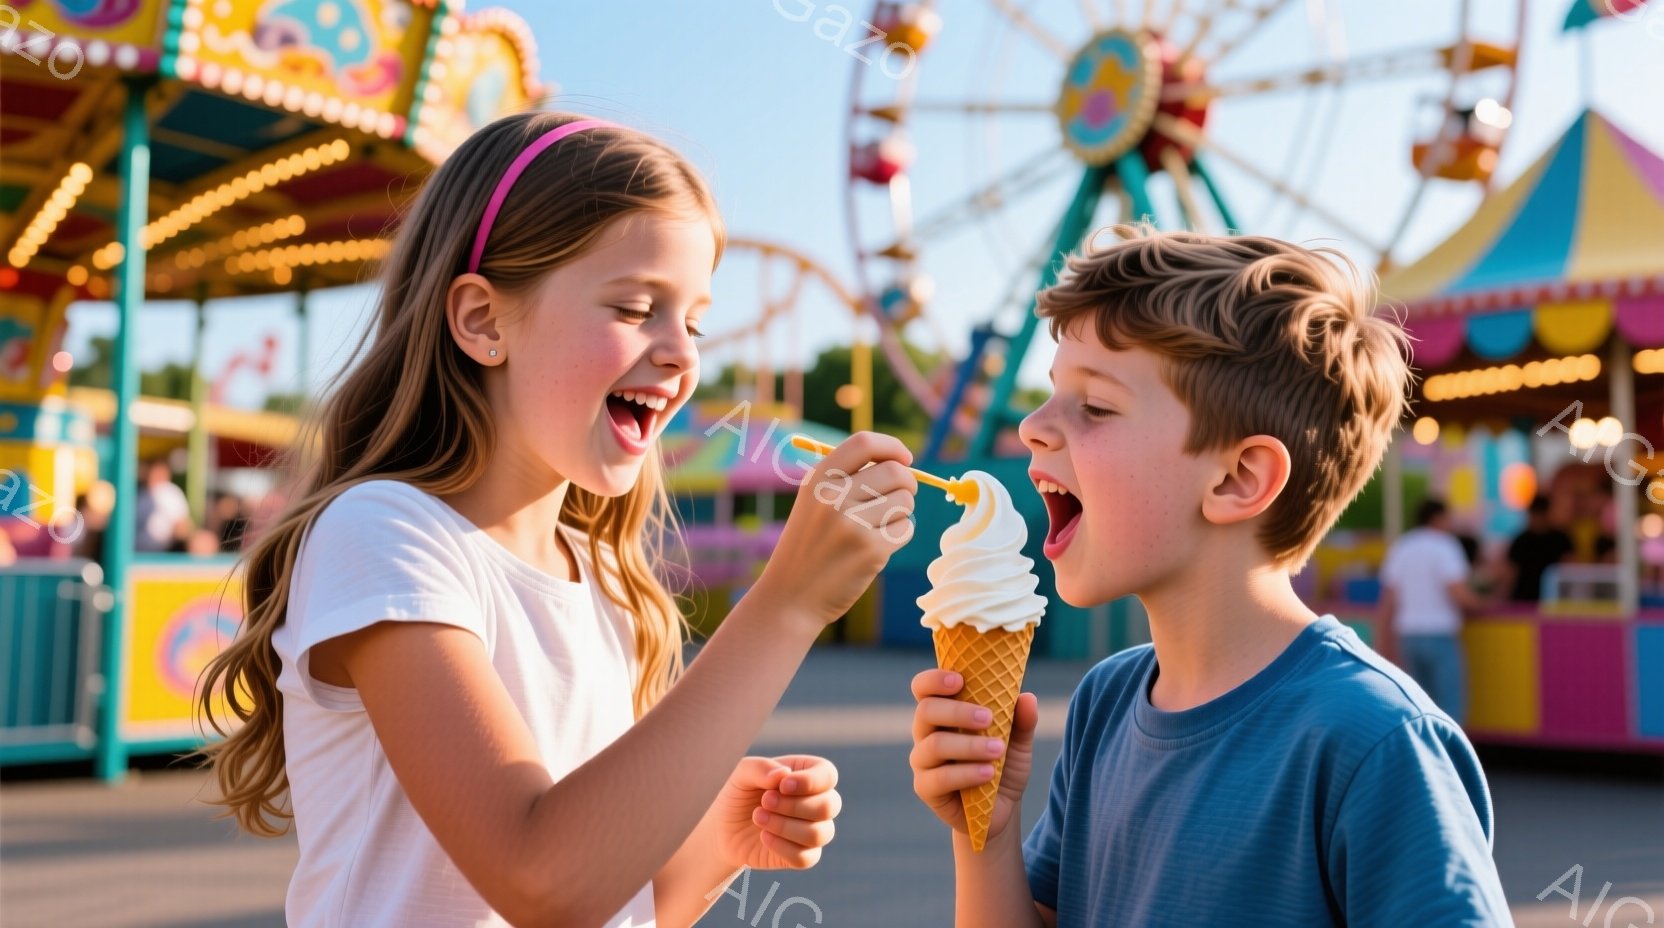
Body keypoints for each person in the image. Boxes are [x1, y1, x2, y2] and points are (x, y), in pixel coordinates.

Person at [195, 113, 920, 928]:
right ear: (482, 320)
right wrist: (787, 606)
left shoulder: (606, 579)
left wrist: (712, 844)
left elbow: (607, 901)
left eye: (695, 321)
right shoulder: (385, 534)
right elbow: (542, 881)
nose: (683, 352)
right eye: (637, 306)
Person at [907, 225, 1509, 926]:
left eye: (1095, 406)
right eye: (1049, 394)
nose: (1036, 426)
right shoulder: (1105, 703)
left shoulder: (1373, 737)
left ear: (1237, 479)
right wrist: (987, 832)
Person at [1380, 498, 1488, 724]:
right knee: (1449, 707)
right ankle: (1449, 757)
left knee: (1417, 707)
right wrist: (1485, 602)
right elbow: (1458, 593)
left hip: (1408, 635)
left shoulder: (1402, 546)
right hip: (1439, 634)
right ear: (1438, 518)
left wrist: (1384, 640)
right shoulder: (1446, 545)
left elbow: (1389, 599)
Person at [1506, 494, 1572, 601]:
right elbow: (1511, 573)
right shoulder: (1521, 540)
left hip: (1553, 597)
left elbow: (1569, 568)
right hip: (1524, 598)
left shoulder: (1561, 539)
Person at [133, 457, 191, 553]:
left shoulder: (170, 493)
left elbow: (182, 526)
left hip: (163, 552)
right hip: (137, 552)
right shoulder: (140, 494)